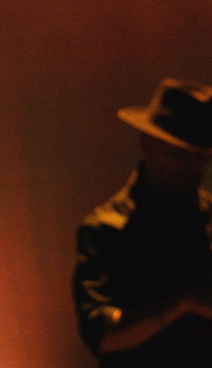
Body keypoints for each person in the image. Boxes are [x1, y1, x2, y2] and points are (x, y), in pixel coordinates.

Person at [73, 78, 212, 366]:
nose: (191, 166)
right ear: (146, 143)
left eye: (201, 156)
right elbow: (102, 335)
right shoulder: (105, 229)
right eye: (177, 153)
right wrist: (185, 303)